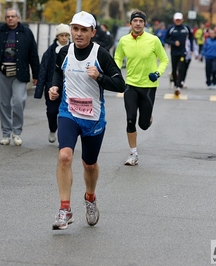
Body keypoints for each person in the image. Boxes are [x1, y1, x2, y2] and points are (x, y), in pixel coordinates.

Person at [48, 11, 125, 230]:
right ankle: (65, 209)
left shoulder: (101, 55)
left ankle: (90, 198)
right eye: (75, 29)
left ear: (93, 32)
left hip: (93, 118)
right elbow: (57, 73)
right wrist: (54, 87)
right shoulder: (64, 52)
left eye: (83, 30)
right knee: (64, 156)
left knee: (89, 165)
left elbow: (120, 85)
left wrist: (99, 77)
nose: (78, 34)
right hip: (68, 112)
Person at [114, 10, 169, 166]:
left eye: (140, 21)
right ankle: (133, 154)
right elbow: (118, 57)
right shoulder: (124, 41)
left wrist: (157, 73)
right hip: (130, 85)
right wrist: (116, 71)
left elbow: (164, 60)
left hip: (149, 86)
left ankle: (148, 116)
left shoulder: (154, 40)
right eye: (135, 21)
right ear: (130, 23)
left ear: (145, 24)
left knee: (143, 125)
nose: (137, 23)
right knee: (130, 119)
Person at [0, 8, 39, 146]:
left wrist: (36, 74)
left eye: (13, 16)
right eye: (8, 16)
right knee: (4, 103)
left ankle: (17, 132)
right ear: (5, 18)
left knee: (18, 101)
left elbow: (33, 54)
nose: (10, 19)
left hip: (19, 73)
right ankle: (6, 134)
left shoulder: (26, 32)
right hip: (1, 72)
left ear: (18, 18)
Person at [34, 23, 70, 143]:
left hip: (69, 87)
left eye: (66, 35)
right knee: (52, 111)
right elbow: (43, 70)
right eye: (61, 35)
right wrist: (39, 90)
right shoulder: (49, 52)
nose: (64, 38)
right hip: (52, 87)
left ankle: (64, 135)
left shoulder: (74, 49)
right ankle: (52, 129)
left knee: (66, 113)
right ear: (57, 37)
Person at [164, 12, 194, 96]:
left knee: (181, 69)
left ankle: (178, 87)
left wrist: (191, 49)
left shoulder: (186, 28)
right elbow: (166, 39)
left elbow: (191, 37)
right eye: (176, 20)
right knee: (174, 69)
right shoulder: (171, 28)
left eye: (179, 20)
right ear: (174, 20)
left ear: (182, 20)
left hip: (183, 52)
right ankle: (175, 83)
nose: (178, 21)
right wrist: (173, 43)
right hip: (174, 52)